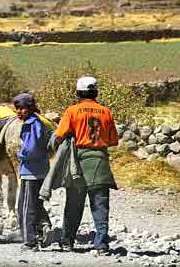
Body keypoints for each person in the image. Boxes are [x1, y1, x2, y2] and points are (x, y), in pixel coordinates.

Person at [54, 76, 119, 254]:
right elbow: (113, 140)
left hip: (78, 163)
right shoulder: (106, 111)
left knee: (73, 205)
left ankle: (67, 242)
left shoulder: (72, 111)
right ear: (96, 92)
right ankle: (102, 246)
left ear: (78, 93)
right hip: (100, 163)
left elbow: (59, 135)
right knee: (100, 207)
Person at [13, 93, 53, 251]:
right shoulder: (39, 122)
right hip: (41, 169)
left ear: (29, 108)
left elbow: (30, 149)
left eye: (21, 108)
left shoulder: (30, 124)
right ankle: (44, 227)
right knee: (36, 204)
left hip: (30, 171)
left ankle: (29, 241)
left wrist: (19, 154)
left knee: (25, 207)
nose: (18, 111)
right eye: (17, 108)